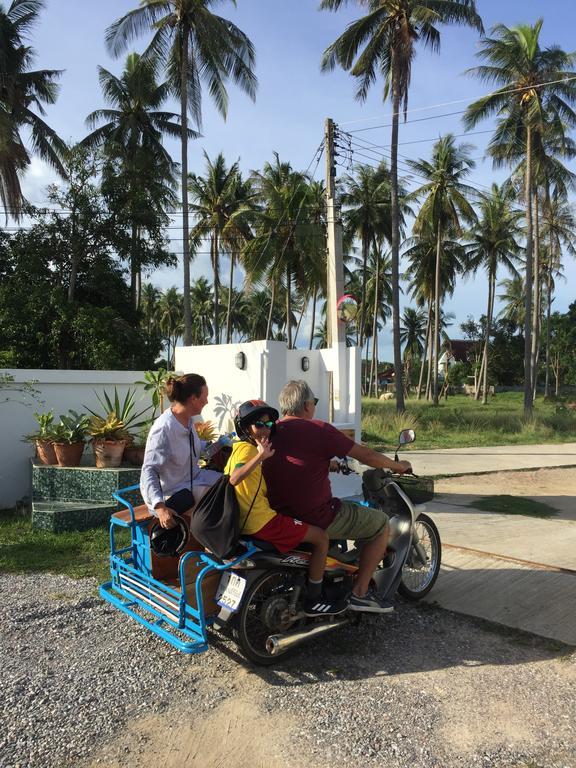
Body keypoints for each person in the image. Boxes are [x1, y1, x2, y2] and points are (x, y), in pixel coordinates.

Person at [263, 380, 412, 614]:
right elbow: (365, 455)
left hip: (280, 514)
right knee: (381, 523)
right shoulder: (319, 430)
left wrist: (328, 463)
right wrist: (397, 465)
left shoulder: (271, 432)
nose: (314, 407)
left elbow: (295, 460)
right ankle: (360, 592)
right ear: (306, 405)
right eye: (315, 402)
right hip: (317, 515)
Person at [225, 399, 348, 617]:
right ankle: (314, 599)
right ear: (245, 427)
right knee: (320, 538)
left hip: (246, 521)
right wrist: (260, 457)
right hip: (261, 522)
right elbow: (235, 478)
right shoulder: (249, 452)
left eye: (269, 424)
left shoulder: (239, 448)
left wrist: (329, 464)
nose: (265, 430)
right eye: (259, 425)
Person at [141, 374, 222, 529]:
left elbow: (192, 448)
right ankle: (217, 542)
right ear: (193, 398)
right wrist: (160, 508)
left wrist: (218, 445)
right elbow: (149, 470)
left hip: (193, 479)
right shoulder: (164, 429)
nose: (207, 401)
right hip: (171, 493)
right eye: (204, 397)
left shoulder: (188, 420)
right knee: (221, 497)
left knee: (230, 483)